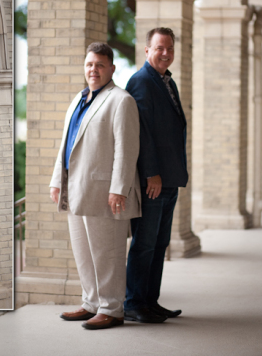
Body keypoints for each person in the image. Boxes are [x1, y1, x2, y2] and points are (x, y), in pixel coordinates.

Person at [50, 42, 141, 330]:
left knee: (108, 254)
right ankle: (91, 303)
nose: (94, 70)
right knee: (84, 252)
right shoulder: (79, 98)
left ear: (111, 69)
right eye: (90, 64)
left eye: (100, 65)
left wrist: (119, 188)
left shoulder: (121, 100)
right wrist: (56, 181)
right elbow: (67, 144)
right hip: (76, 190)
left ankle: (112, 309)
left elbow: (127, 150)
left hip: (105, 193)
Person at [123, 27, 186, 323]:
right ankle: (134, 303)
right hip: (154, 181)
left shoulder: (166, 82)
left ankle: (151, 300)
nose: (166, 53)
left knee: (159, 244)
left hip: (170, 179)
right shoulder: (141, 81)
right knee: (144, 244)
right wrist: (152, 174)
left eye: (170, 48)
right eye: (160, 47)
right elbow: (143, 133)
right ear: (147, 50)